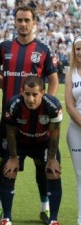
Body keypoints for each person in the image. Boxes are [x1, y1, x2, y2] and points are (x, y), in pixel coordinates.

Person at [0, 5, 59, 224]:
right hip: (10, 118)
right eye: (19, 20)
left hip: (38, 121)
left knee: (42, 164)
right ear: (14, 22)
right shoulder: (4, 47)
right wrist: (6, 84)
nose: (23, 24)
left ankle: (44, 208)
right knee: (6, 163)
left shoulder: (44, 49)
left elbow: (53, 78)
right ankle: (2, 210)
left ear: (34, 22)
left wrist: (46, 104)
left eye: (27, 20)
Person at [0, 76, 62, 225]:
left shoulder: (53, 105)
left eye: (35, 94)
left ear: (43, 92)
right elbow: (10, 132)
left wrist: (52, 159)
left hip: (43, 142)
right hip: (21, 141)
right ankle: (6, 217)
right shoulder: (13, 104)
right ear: (22, 92)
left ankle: (52, 218)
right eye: (27, 94)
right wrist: (13, 157)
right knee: (9, 170)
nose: (31, 99)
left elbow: (55, 133)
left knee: (52, 173)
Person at [65, 35, 81, 225]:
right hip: (76, 131)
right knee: (80, 176)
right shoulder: (71, 74)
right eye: (77, 49)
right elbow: (69, 106)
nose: (80, 52)